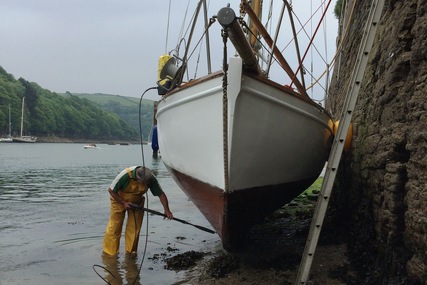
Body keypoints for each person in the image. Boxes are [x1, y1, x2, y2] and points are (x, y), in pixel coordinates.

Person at [103, 166, 173, 256]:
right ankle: (110, 254)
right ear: (138, 179)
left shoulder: (151, 178)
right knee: (115, 227)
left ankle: (130, 254)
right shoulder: (125, 176)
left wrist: (167, 210)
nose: (148, 184)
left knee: (134, 228)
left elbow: (161, 194)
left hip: (137, 203)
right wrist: (123, 203)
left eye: (148, 182)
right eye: (145, 183)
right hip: (119, 201)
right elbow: (111, 191)